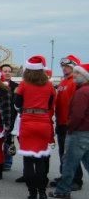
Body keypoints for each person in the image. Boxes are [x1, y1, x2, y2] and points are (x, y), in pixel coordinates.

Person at [15, 55, 57, 198]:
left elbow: (17, 103)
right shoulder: (50, 85)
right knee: (40, 161)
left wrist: (24, 110)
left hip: (27, 121)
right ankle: (42, 193)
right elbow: (51, 104)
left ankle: (32, 193)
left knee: (28, 161)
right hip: (43, 122)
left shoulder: (24, 84)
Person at [49, 63, 89, 198]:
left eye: (78, 73)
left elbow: (77, 114)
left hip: (76, 131)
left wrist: (70, 128)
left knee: (69, 162)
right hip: (81, 130)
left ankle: (63, 190)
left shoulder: (82, 92)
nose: (75, 75)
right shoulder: (80, 88)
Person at [0, 63, 19, 172]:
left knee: (9, 141)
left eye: (9, 71)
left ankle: (7, 163)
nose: (7, 73)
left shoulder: (16, 86)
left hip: (12, 116)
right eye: (4, 71)